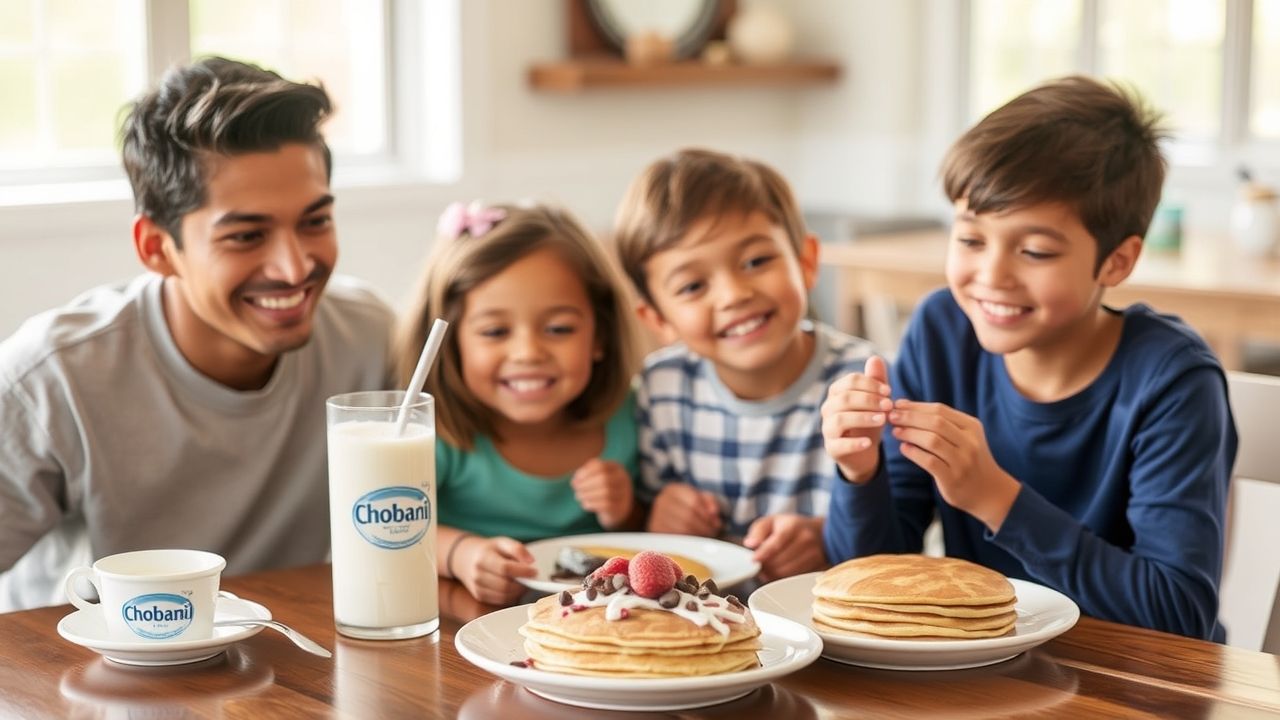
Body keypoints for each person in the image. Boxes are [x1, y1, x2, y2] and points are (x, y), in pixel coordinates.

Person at [821, 76, 1237, 641]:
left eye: (1035, 250)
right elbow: (871, 586)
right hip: (986, 674)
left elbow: (1179, 612)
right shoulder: (943, 332)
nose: (991, 276)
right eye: (970, 240)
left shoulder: (1171, 380)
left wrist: (996, 498)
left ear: (1116, 262)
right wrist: (859, 470)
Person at [0, 57, 396, 611]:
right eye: (246, 236)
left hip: (278, 666)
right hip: (82, 677)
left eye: (315, 221)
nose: (294, 267)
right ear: (157, 249)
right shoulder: (50, 377)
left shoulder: (369, 337)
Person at [613, 148, 876, 582]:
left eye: (756, 262)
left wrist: (829, 538)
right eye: (694, 285)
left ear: (807, 261)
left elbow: (901, 532)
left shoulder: (862, 379)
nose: (734, 294)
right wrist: (656, 517)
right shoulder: (662, 387)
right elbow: (639, 522)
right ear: (658, 319)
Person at [396, 201, 644, 604]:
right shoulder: (433, 435)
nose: (528, 352)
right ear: (452, 345)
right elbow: (394, 526)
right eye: (495, 331)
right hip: (465, 625)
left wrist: (626, 510)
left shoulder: (631, 418)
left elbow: (652, 536)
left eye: (558, 328)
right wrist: (461, 554)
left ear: (600, 335)